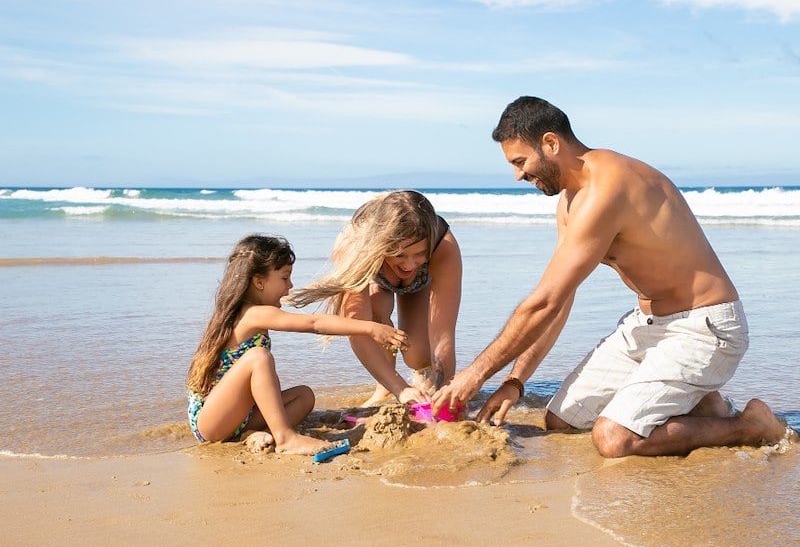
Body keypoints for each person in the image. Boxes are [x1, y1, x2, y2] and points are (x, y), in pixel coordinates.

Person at [432, 96, 788, 457]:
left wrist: (474, 375)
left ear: (551, 144)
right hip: (650, 326)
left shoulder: (609, 187)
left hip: (705, 328)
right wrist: (514, 382)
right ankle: (703, 404)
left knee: (613, 438)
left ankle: (751, 425)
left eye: (521, 162)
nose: (518, 175)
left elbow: (543, 303)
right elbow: (559, 299)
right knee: (562, 420)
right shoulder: (570, 203)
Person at [186, 234, 408, 455]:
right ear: (259, 281)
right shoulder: (253, 314)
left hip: (239, 417)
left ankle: (252, 433)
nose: (290, 286)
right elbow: (314, 323)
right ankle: (285, 438)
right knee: (258, 357)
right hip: (211, 421)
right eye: (284, 278)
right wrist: (370, 327)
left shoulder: (249, 313)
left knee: (304, 396)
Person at [291, 190, 462, 407]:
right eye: (399, 254)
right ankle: (384, 390)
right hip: (374, 274)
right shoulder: (355, 245)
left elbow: (443, 336)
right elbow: (358, 330)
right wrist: (400, 389)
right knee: (376, 319)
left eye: (420, 254)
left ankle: (420, 384)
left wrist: (443, 395)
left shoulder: (442, 245)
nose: (409, 265)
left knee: (417, 356)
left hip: (420, 283)